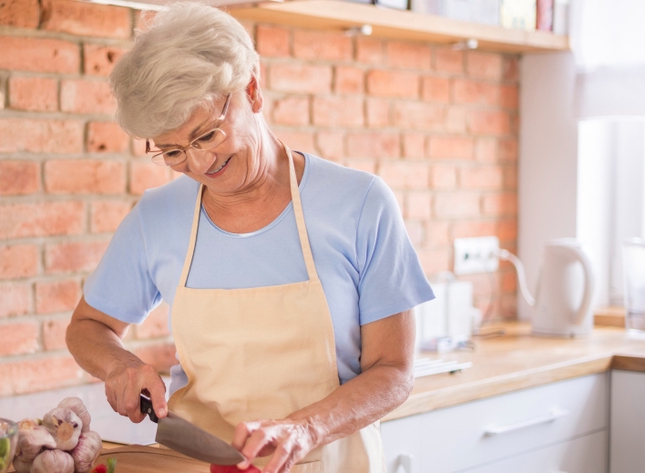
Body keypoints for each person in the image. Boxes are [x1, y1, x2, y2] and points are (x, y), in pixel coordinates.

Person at [65, 3, 434, 472]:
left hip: (328, 460)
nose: (200, 165)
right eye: (173, 152)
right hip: (198, 462)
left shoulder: (360, 203)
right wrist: (119, 365)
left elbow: (394, 371)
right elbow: (88, 326)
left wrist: (305, 428)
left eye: (207, 135)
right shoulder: (156, 217)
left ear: (252, 90)